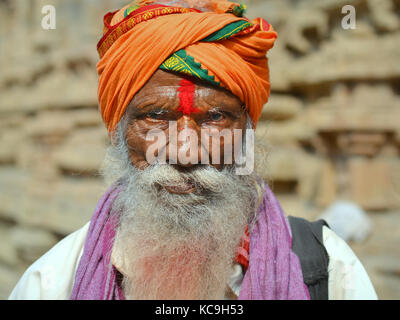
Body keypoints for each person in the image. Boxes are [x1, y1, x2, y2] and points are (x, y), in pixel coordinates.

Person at [9, 0, 377, 300]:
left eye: (215, 117)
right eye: (155, 116)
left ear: (247, 132)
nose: (185, 152)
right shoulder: (55, 281)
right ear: (118, 132)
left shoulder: (328, 270)